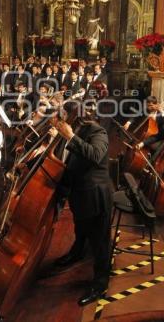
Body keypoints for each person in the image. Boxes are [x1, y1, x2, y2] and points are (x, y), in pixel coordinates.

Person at [49, 101, 113, 306]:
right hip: (78, 192)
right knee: (81, 228)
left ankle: (101, 282)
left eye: (61, 116)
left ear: (73, 116)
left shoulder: (97, 131)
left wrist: (70, 137)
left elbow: (95, 155)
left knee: (100, 241)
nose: (59, 121)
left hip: (95, 194)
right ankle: (77, 253)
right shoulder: (69, 130)